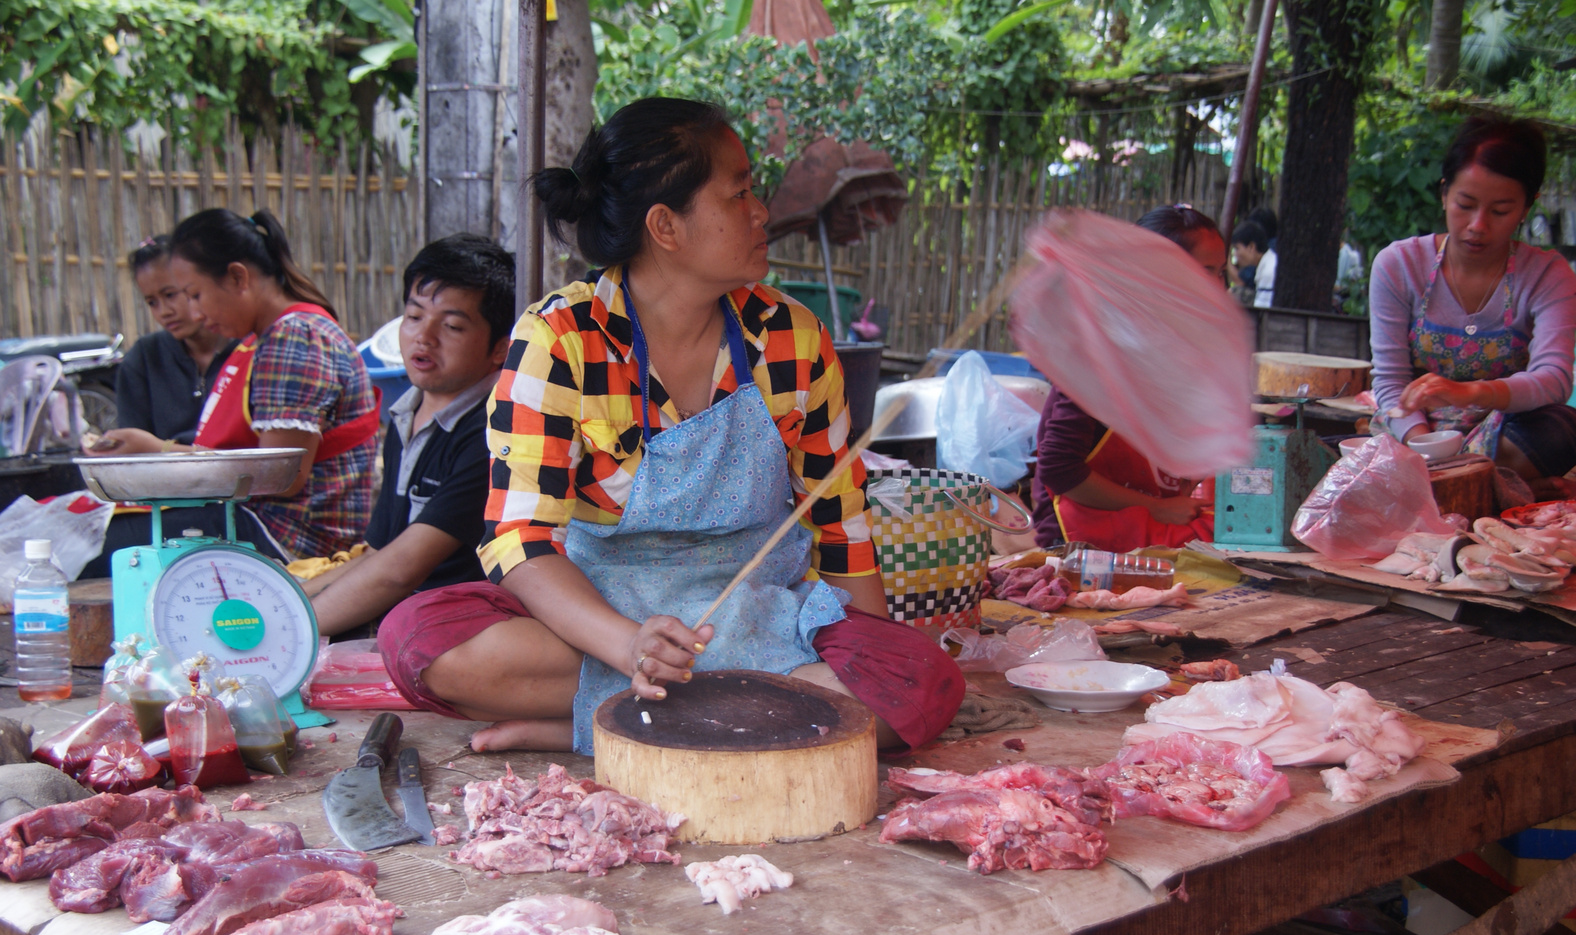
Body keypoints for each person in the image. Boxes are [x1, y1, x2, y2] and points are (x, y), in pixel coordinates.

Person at [376, 97, 964, 755]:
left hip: (761, 616)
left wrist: (874, 659)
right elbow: (518, 539)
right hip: (598, 621)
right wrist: (626, 644)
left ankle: (600, 725)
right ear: (665, 226)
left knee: (921, 682)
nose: (760, 211)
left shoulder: (790, 338)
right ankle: (712, 716)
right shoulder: (560, 340)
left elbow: (839, 524)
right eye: (738, 193)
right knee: (418, 641)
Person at [83, 209, 377, 571]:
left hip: (290, 537)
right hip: (252, 517)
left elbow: (281, 478)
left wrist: (158, 450)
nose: (195, 311)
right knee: (88, 530)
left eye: (195, 294)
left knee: (92, 546)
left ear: (238, 277)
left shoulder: (296, 337)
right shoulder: (271, 337)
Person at [305, 235, 515, 636]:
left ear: (500, 349)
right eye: (415, 316)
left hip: (459, 630)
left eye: (452, 325)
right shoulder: (407, 413)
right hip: (397, 617)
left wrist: (290, 628)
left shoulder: (494, 431)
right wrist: (291, 596)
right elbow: (379, 552)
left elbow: (400, 569)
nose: (424, 337)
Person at [1369, 117, 1576, 481]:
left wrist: (1469, 392)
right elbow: (1391, 382)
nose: (1478, 225)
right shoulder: (1398, 265)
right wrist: (1427, 445)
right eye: (1465, 204)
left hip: (1502, 430)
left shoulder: (1548, 274)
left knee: (1563, 428)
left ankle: (1453, 478)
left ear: (1526, 207)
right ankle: (1460, 478)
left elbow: (1554, 379)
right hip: (1417, 431)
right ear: (1444, 193)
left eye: (1500, 211)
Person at [1030, 204, 1223, 554]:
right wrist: (1157, 507)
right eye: (1206, 272)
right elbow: (1059, 470)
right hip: (1081, 535)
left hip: (1155, 520)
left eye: (1220, 273)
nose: (1219, 287)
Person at [97, 236, 235, 448]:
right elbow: (133, 447)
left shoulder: (246, 351)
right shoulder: (145, 357)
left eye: (170, 294)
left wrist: (160, 448)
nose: (164, 312)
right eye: (152, 302)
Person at [1232, 220, 1276, 308]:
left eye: (1237, 248)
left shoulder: (1268, 272)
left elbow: (1263, 311)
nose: (1235, 254)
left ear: (1251, 247)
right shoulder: (1266, 264)